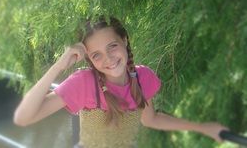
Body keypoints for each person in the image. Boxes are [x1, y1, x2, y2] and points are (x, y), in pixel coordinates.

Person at [14, 16, 228, 148]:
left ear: (124, 40)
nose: (108, 59)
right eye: (96, 55)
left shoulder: (143, 77)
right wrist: (59, 66)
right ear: (89, 59)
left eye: (112, 46)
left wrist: (202, 128)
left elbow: (151, 119)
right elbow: (23, 118)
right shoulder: (83, 83)